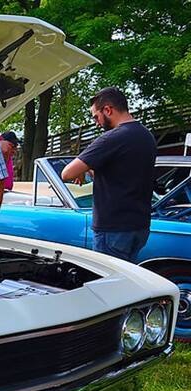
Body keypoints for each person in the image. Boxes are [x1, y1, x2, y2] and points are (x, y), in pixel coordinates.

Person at [61, 87, 156, 262]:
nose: (97, 123)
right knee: (127, 280)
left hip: (113, 228)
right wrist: (90, 168)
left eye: (96, 116)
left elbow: (67, 173)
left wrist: (83, 168)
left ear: (108, 110)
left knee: (108, 285)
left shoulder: (112, 138)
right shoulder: (146, 136)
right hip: (139, 226)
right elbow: (121, 175)